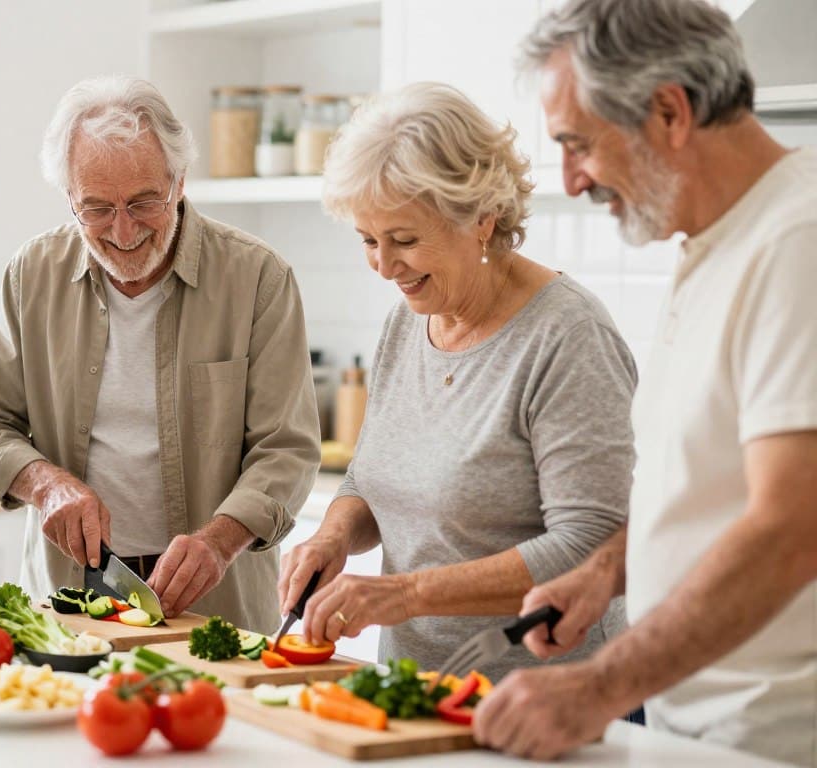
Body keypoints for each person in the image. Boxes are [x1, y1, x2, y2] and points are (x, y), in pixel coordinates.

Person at [474, 1, 817, 764]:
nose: (569, 176)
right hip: (697, 722)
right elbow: (707, 489)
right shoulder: (713, 244)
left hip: (777, 737)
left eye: (577, 143)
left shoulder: (798, 241)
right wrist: (607, 569)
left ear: (669, 112)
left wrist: (598, 687)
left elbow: (794, 525)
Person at [278, 82, 635, 683]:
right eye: (369, 239)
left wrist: (406, 593)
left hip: (551, 696)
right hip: (415, 688)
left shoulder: (567, 335)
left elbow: (591, 544)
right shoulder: (408, 320)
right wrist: (334, 535)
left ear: (481, 219)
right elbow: (373, 476)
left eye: (406, 240)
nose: (385, 266)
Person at [0, 76, 320, 632]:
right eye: (96, 208)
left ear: (178, 182)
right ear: (69, 199)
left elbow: (287, 450)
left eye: (143, 202)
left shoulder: (257, 279)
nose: (122, 231)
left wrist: (220, 541)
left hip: (214, 596)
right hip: (69, 597)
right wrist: (45, 484)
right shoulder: (31, 275)